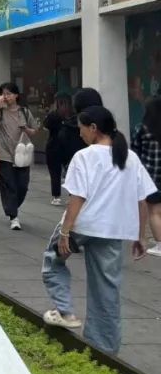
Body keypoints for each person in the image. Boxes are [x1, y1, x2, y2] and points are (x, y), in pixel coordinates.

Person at [42, 106, 155, 352]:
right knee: (107, 291)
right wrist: (140, 236)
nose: (80, 133)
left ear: (93, 128)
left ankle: (65, 311)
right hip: (113, 231)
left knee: (52, 261)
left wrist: (65, 232)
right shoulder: (130, 158)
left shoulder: (84, 156)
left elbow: (77, 198)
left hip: (82, 225)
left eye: (81, 128)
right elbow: (142, 200)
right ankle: (104, 350)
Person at [0, 82, 38, 231]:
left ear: (16, 95)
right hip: (4, 154)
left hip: (22, 155)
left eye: (9, 93)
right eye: (3, 94)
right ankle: (14, 217)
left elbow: (34, 131)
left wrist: (26, 129)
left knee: (22, 186)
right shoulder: (1, 112)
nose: (6, 96)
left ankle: (12, 207)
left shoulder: (24, 111)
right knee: (9, 186)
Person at [130, 96, 161, 257]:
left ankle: (160, 245)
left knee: (154, 212)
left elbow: (134, 152)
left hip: (150, 177)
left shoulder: (141, 128)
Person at [43, 93, 75, 206]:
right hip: (69, 147)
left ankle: (56, 197)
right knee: (71, 172)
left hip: (54, 146)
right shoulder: (73, 115)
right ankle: (72, 195)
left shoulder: (53, 115)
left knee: (55, 173)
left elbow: (45, 126)